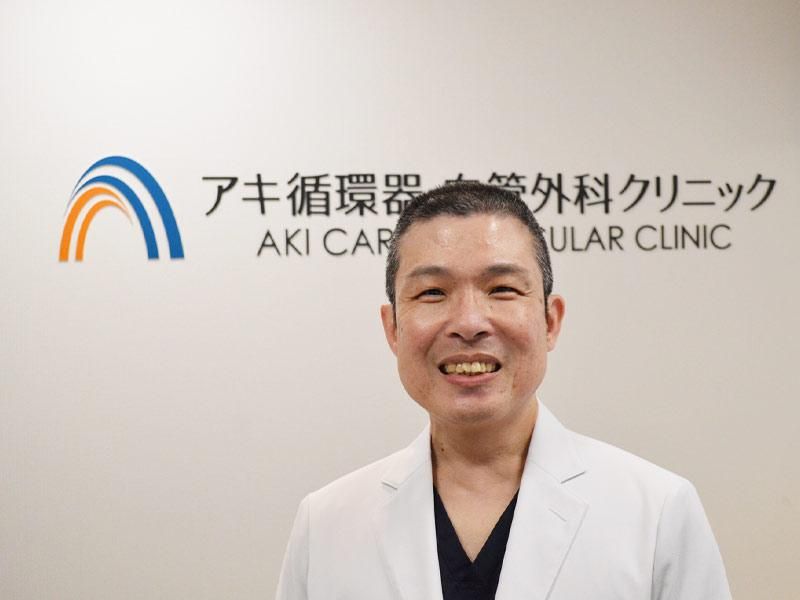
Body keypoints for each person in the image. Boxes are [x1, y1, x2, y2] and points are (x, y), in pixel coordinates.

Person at [276, 183, 732, 600]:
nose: (469, 322)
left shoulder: (657, 511)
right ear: (392, 328)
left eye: (502, 288)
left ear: (550, 320)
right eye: (432, 292)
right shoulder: (326, 524)